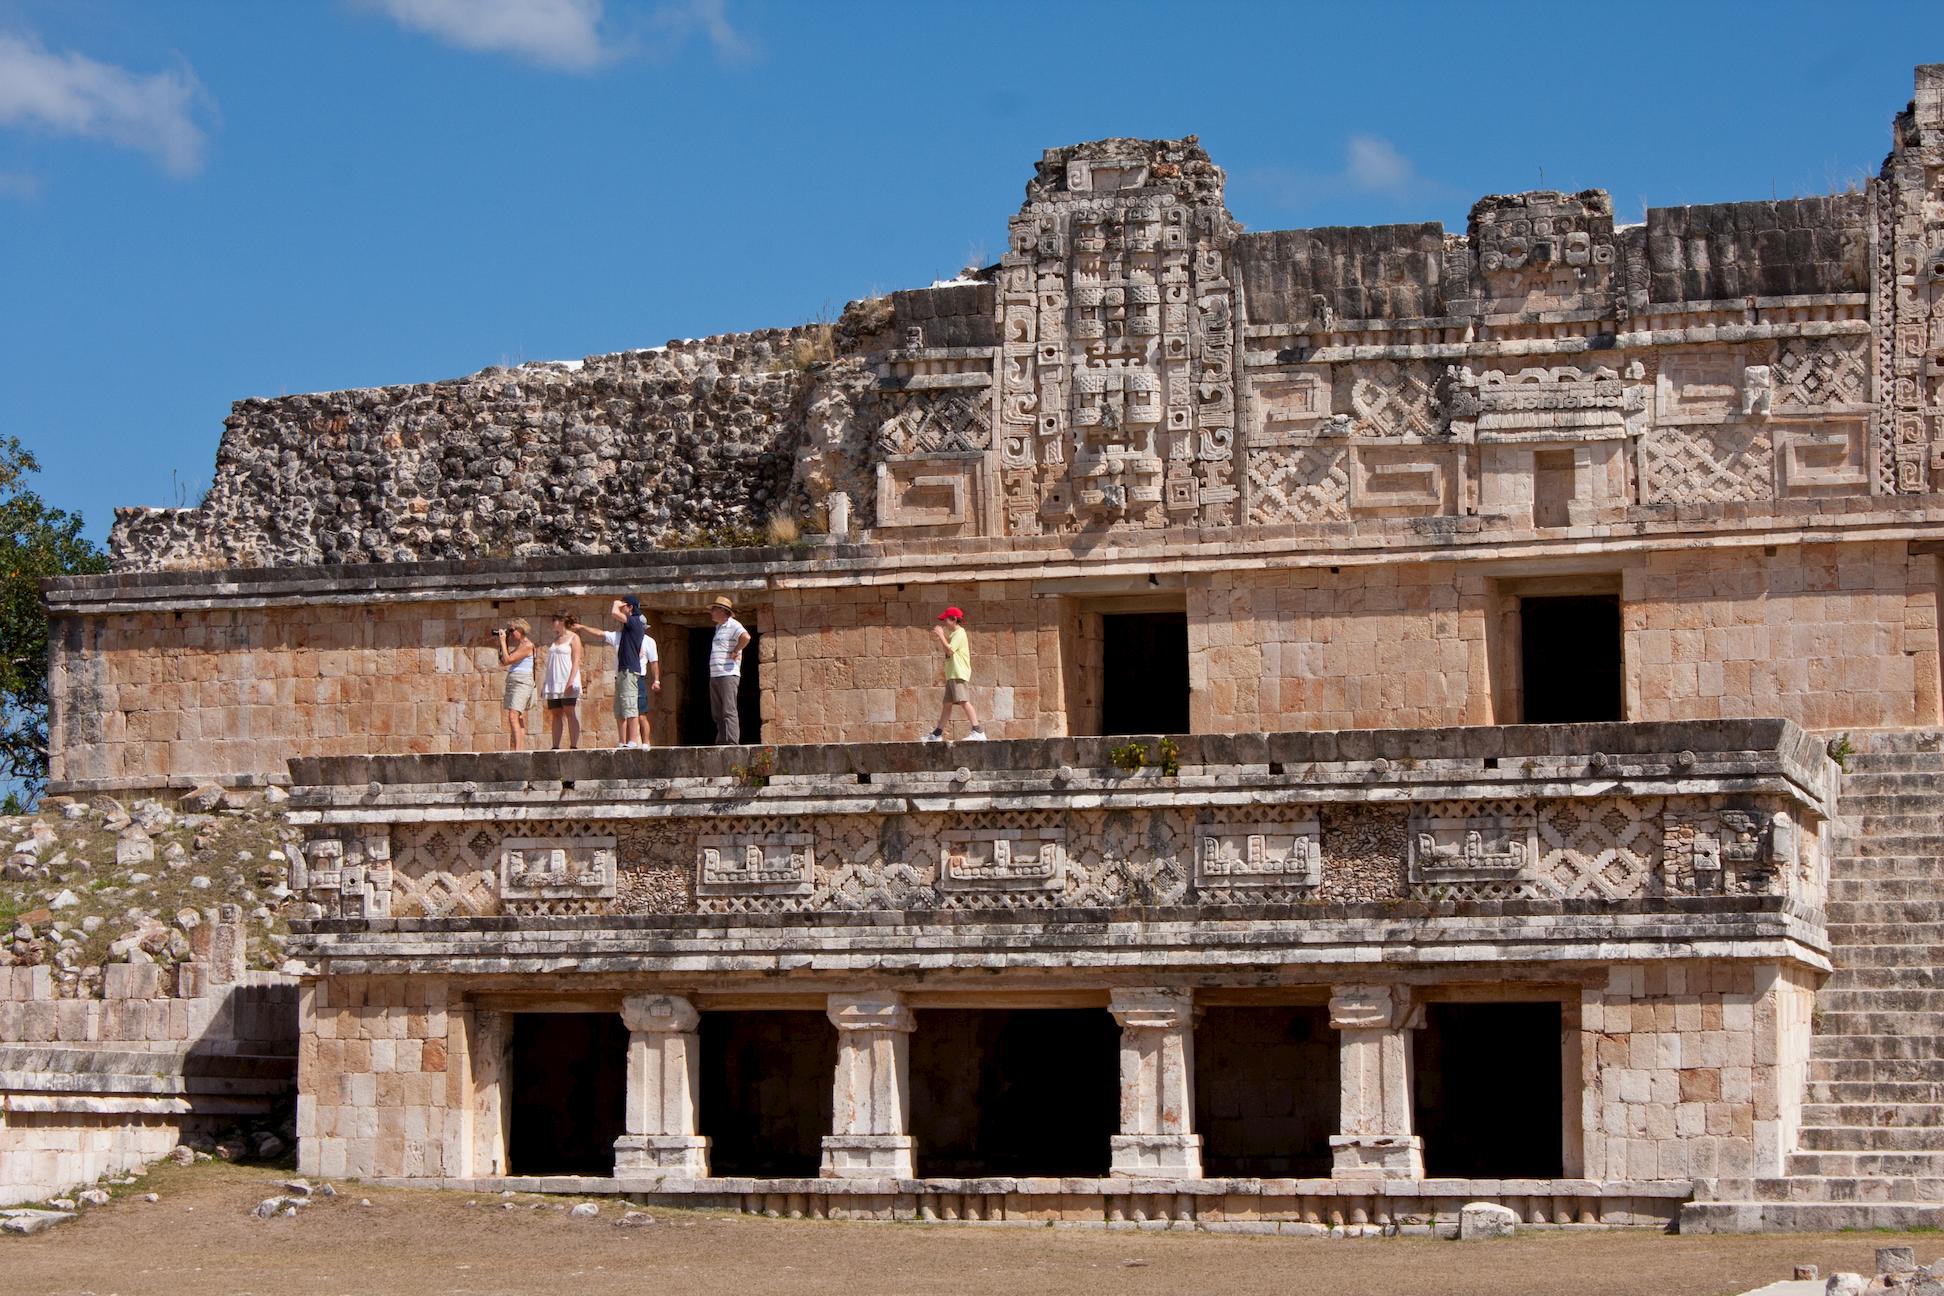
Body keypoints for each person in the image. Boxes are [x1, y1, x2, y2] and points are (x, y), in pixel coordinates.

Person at [573, 596, 659, 749]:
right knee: (620, 709)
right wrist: (582, 627)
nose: (621, 608)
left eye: (624, 605)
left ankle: (634, 741)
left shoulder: (635, 621)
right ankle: (623, 741)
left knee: (633, 708)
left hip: (631, 672)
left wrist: (616, 604)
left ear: (630, 607)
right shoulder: (624, 632)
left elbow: (614, 613)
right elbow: (600, 633)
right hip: (621, 672)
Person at [923, 606, 985, 742]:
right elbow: (949, 650)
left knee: (963, 701)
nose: (944, 622)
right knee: (947, 704)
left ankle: (978, 731)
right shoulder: (954, 635)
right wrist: (944, 637)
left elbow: (949, 651)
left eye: (946, 619)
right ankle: (937, 734)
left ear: (954, 619)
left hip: (958, 673)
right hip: (952, 674)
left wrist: (940, 635)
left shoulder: (960, 633)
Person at [706, 595, 750, 744]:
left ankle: (732, 743)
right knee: (717, 712)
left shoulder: (733, 625)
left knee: (728, 710)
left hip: (728, 674)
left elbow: (746, 637)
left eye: (714, 609)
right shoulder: (718, 627)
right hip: (716, 674)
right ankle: (722, 741)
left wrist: (736, 650)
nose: (711, 612)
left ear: (722, 611)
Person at [541, 612, 584, 750]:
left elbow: (576, 660)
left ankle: (573, 745)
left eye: (554, 620)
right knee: (556, 712)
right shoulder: (555, 639)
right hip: (554, 680)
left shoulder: (574, 638)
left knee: (569, 710)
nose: (552, 623)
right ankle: (555, 746)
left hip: (567, 679)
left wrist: (571, 681)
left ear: (561, 621)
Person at [493, 618, 536, 750]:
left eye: (512, 631)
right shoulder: (520, 646)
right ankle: (519, 748)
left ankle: (517, 750)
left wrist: (502, 641)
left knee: (513, 715)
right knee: (519, 716)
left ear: (520, 630)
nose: (510, 634)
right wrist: (503, 643)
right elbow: (502, 660)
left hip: (522, 681)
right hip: (515, 680)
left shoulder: (527, 645)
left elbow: (507, 660)